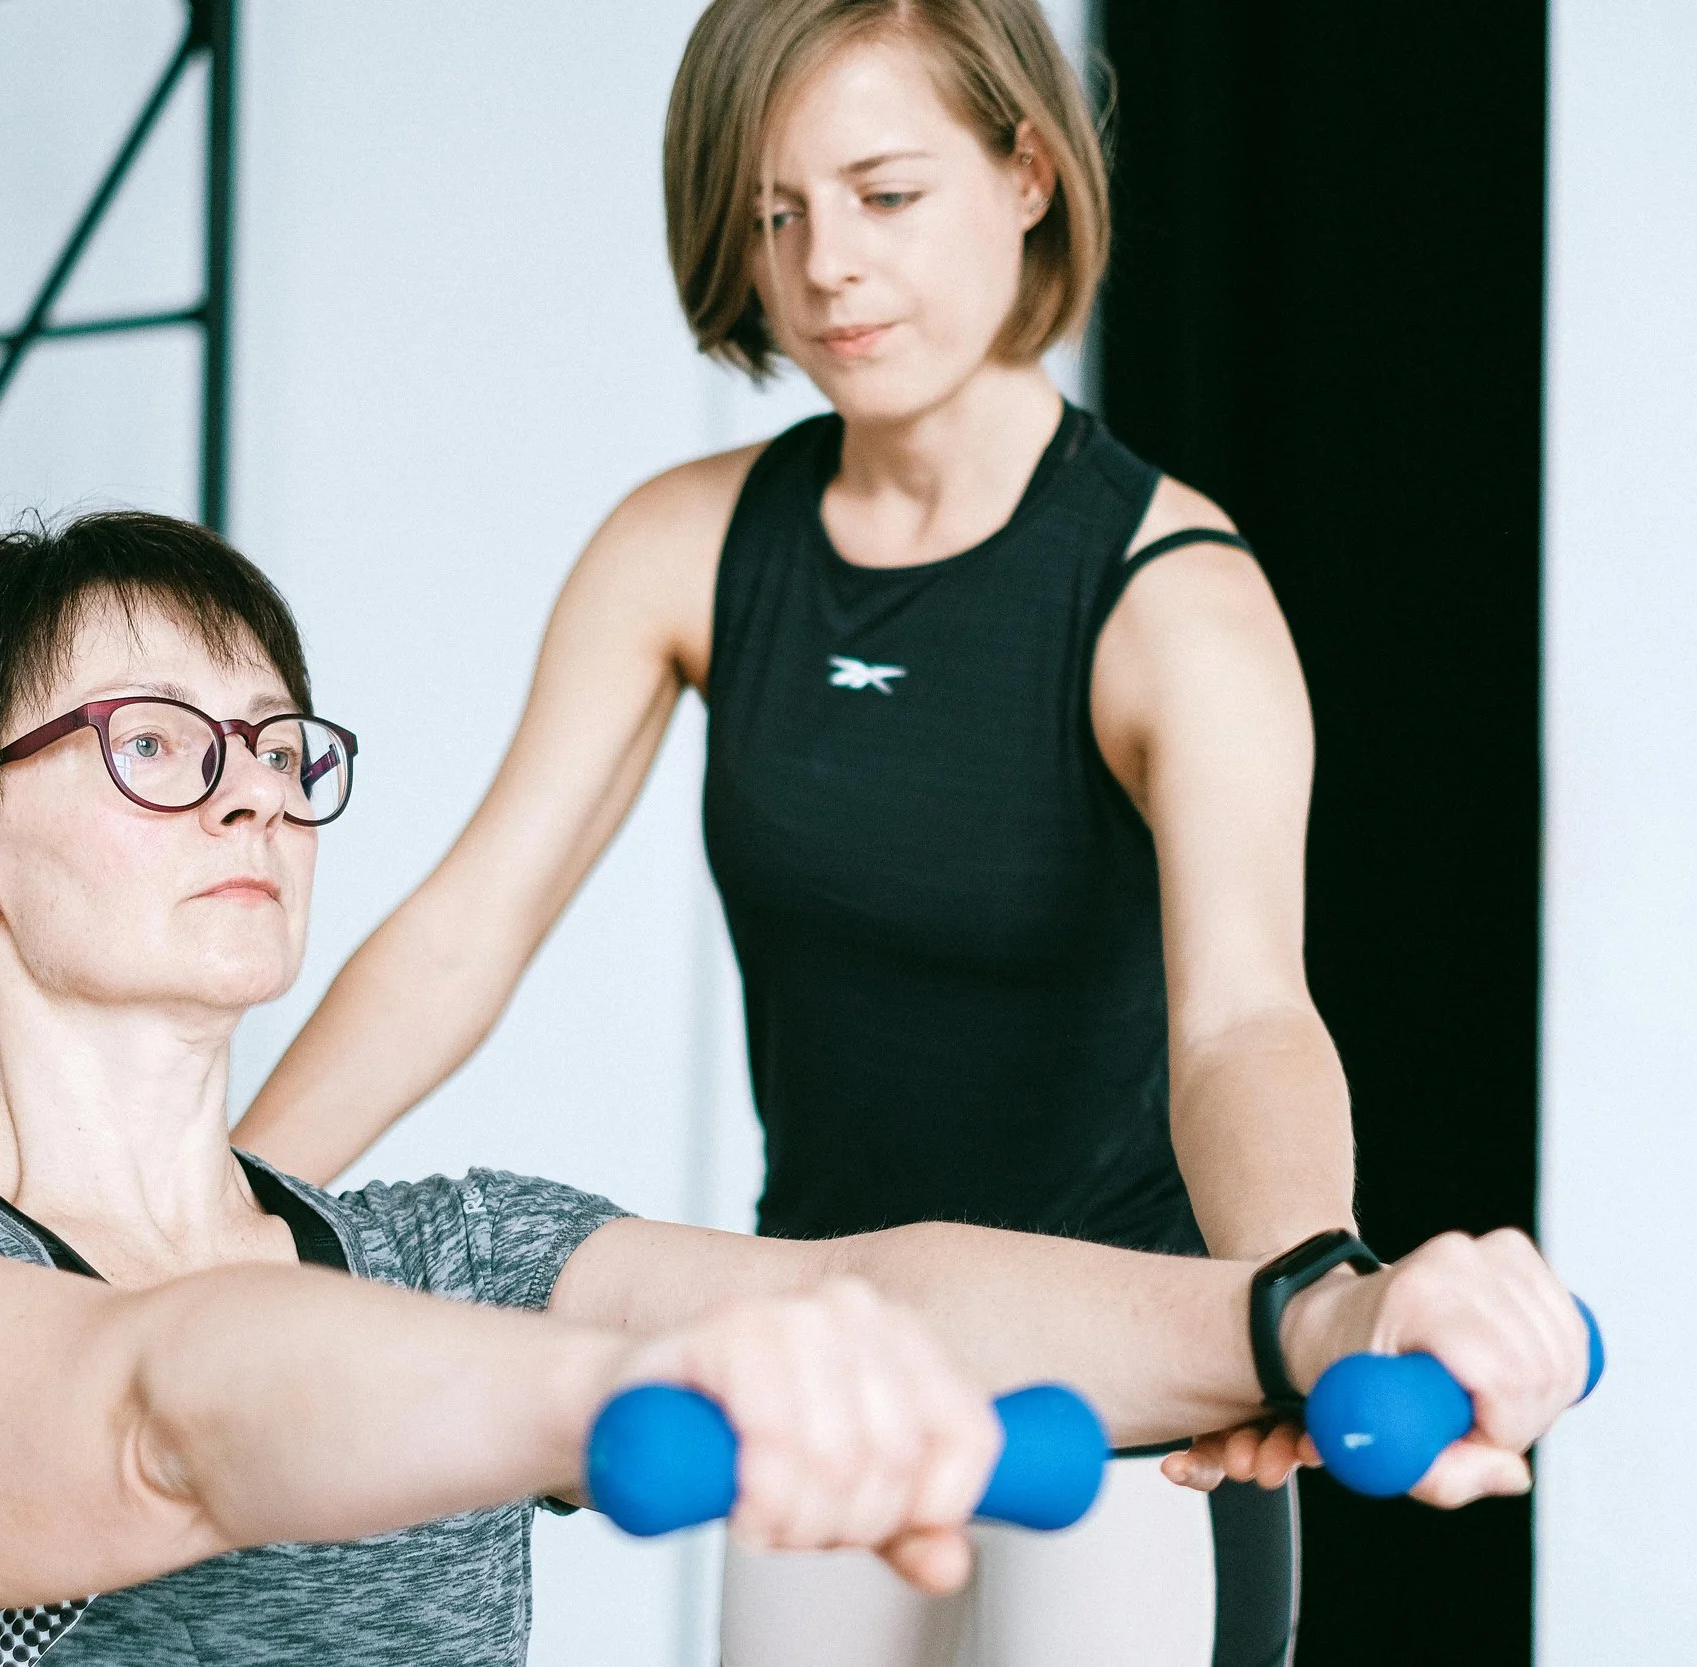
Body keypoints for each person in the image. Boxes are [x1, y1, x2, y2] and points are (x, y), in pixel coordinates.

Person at [0, 515, 1589, 1667]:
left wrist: (1317, 1304)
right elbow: (160, 1410)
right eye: (158, 746)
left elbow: (871, 1289)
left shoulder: (457, 1251)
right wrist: (622, 1396)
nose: (254, 788)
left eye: (277, 744)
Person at [236, 2, 1346, 1660]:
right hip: (820, 1363)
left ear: (1026, 171)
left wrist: (1293, 1305)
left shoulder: (1172, 600)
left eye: (886, 194)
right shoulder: (686, 546)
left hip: (1110, 1398)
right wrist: (222, 1222)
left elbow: (1247, 1017)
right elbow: (472, 926)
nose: (827, 264)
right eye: (777, 209)